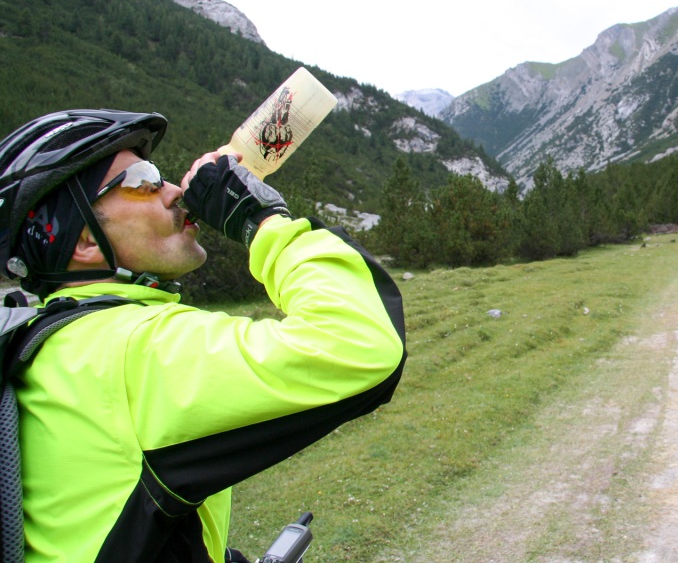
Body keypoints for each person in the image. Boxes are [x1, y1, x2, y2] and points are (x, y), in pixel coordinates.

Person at [0, 109, 407, 562]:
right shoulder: (132, 348)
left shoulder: (52, 344)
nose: (174, 191)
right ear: (84, 241)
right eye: (143, 181)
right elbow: (361, 343)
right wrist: (260, 220)